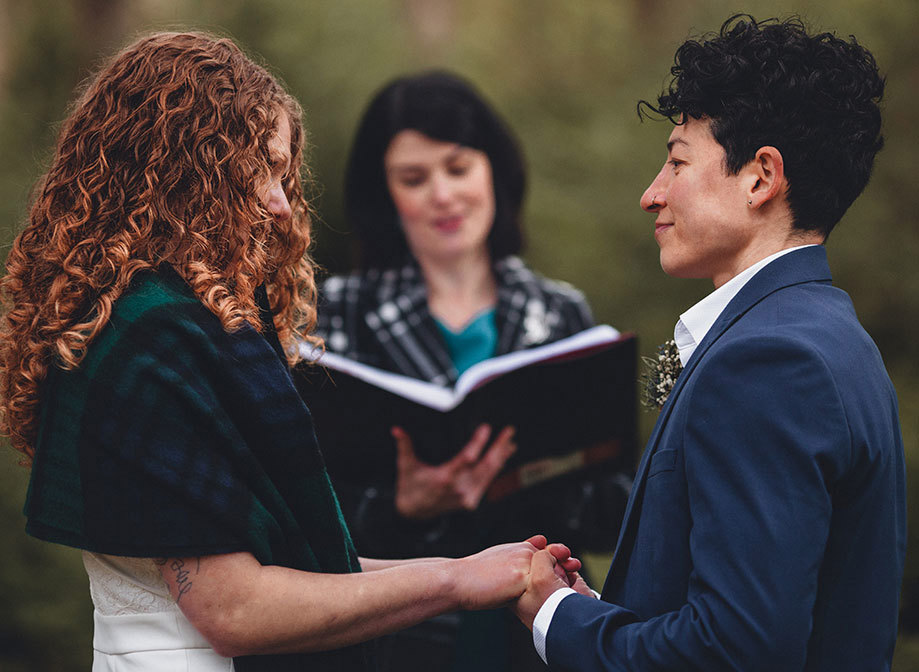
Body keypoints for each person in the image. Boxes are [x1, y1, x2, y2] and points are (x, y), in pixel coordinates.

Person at [0, 32, 582, 672]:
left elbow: (304, 555)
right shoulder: (155, 336)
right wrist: (451, 582)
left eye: (284, 177)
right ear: (189, 171)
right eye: (261, 171)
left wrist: (470, 569)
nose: (280, 204)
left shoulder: (161, 319)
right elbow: (233, 609)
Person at [513, 14, 906, 671]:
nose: (651, 194)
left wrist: (557, 617)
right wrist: (601, 608)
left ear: (760, 177)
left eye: (675, 161)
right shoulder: (832, 339)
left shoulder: (769, 362)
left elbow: (733, 649)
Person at [303, 71, 632, 670]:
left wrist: (533, 478)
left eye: (458, 167)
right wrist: (402, 506)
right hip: (389, 641)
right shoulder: (333, 315)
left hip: (535, 634)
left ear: (493, 172)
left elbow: (620, 508)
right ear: (385, 194)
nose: (442, 195)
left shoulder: (561, 315)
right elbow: (295, 512)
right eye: (414, 178)